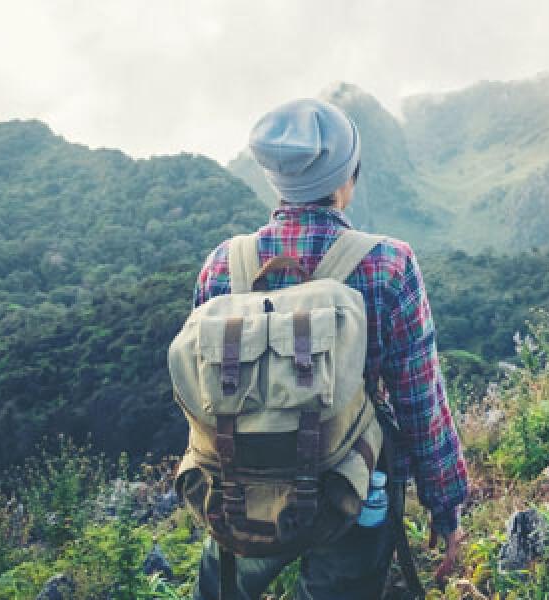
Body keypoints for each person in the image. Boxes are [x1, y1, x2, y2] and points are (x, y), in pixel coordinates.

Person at [190, 98, 468, 599]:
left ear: (275, 179)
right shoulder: (387, 265)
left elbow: (204, 393)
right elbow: (420, 401)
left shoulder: (222, 265)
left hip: (242, 488)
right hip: (355, 491)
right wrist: (445, 507)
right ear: (348, 178)